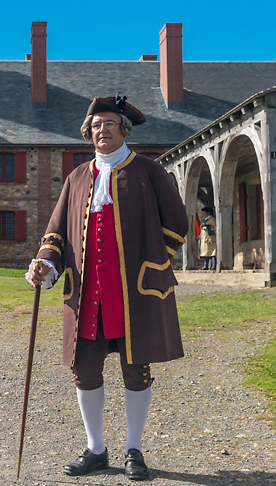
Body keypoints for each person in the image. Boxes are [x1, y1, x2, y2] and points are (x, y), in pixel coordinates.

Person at [27, 94, 187, 481]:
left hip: (135, 292)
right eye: (95, 126)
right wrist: (45, 261)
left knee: (136, 370)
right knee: (84, 369)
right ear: (89, 133)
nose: (102, 130)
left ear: (123, 130)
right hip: (88, 294)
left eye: (109, 124)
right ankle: (96, 449)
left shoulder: (149, 171)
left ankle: (134, 450)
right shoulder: (77, 178)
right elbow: (57, 231)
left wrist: (154, 259)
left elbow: (177, 224)